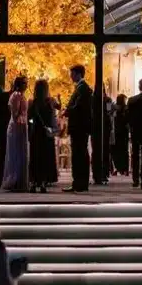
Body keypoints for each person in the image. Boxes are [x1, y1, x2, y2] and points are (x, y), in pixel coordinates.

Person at [63, 65, 93, 193]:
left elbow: (78, 107)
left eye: (72, 74)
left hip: (79, 127)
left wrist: (67, 111)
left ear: (78, 74)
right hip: (81, 127)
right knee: (80, 154)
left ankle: (79, 183)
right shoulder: (82, 88)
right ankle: (79, 183)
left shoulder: (83, 89)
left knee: (79, 155)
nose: (70, 76)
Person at [29, 79, 57, 193]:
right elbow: (52, 118)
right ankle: (44, 182)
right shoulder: (50, 102)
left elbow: (29, 119)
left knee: (35, 157)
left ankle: (34, 182)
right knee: (46, 158)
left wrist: (32, 125)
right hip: (47, 133)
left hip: (36, 133)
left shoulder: (32, 102)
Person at [2, 76, 29, 192]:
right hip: (16, 127)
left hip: (21, 126)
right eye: (24, 83)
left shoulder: (21, 95)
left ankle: (19, 180)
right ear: (19, 84)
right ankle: (15, 179)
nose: (26, 85)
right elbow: (15, 114)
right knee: (16, 153)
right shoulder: (16, 95)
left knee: (20, 153)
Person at [111, 93, 130, 175]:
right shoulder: (126, 108)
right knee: (124, 151)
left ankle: (117, 168)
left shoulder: (114, 108)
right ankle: (125, 169)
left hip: (115, 132)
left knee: (116, 151)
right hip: (124, 132)